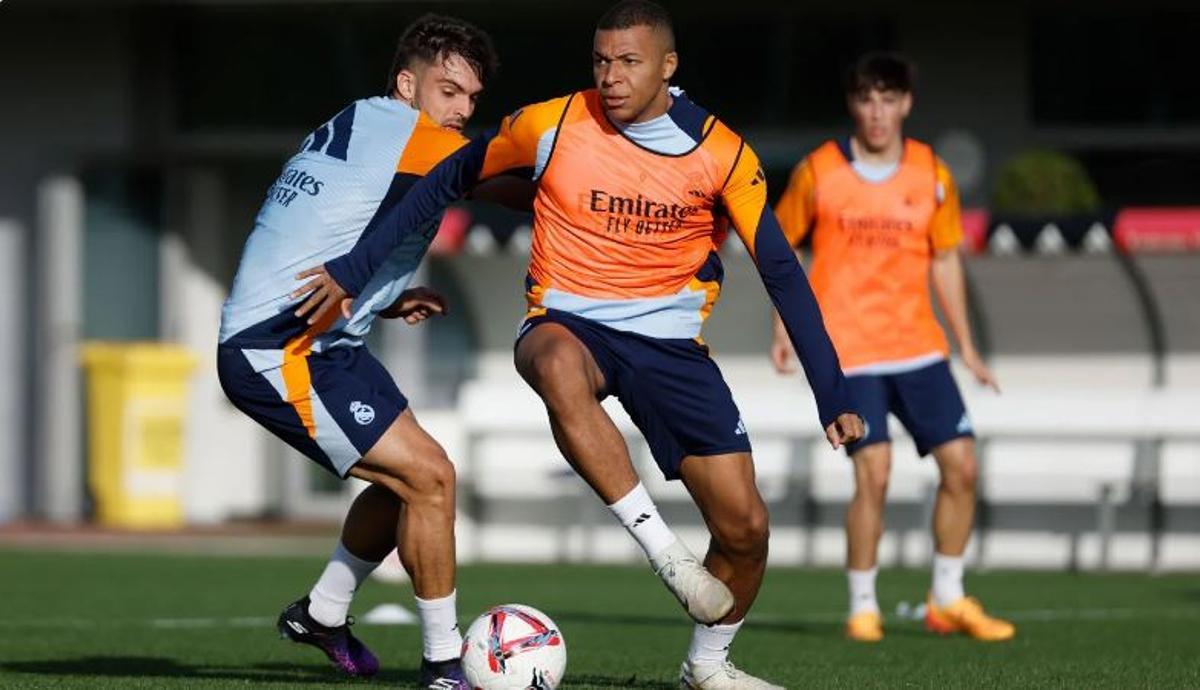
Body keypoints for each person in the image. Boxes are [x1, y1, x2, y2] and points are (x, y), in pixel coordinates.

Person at [292, 2, 863, 686]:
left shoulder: (722, 153)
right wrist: (357, 270)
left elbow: (780, 270)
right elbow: (448, 178)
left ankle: (708, 669)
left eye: (629, 62)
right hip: (566, 322)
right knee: (556, 362)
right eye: (601, 61)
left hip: (670, 344)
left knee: (745, 530)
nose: (612, 77)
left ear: (667, 67)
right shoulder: (551, 121)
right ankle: (664, 553)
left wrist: (831, 387)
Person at [216, 14, 503, 687]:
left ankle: (322, 613)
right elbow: (510, 183)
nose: (461, 111)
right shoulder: (411, 134)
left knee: (410, 484)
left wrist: (383, 298)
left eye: (470, 100)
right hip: (277, 349)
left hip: (326, 339)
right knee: (431, 479)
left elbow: (326, 223)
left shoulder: (367, 124)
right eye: (447, 91)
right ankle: (443, 665)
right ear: (407, 84)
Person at [769, 52, 1014, 643]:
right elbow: (780, 248)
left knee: (963, 466)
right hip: (850, 351)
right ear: (853, 105)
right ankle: (862, 605)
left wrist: (968, 347)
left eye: (888, 99)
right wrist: (783, 329)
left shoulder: (931, 172)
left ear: (906, 104)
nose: (876, 112)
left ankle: (948, 598)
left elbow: (947, 258)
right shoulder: (819, 171)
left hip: (919, 348)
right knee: (873, 474)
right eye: (865, 99)